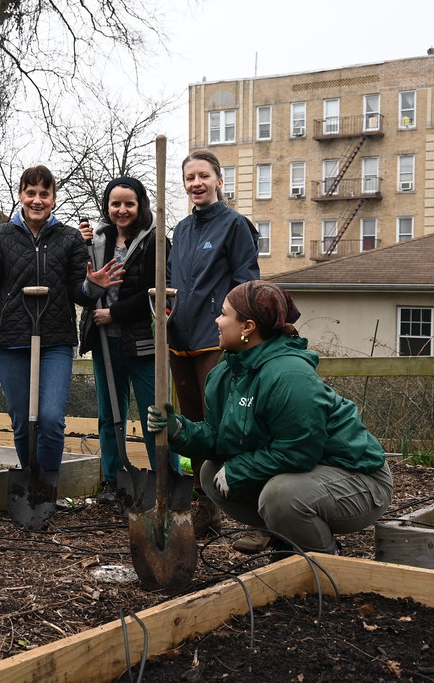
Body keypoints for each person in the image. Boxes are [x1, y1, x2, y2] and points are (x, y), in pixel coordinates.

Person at [147, 281, 393, 555]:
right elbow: (219, 437)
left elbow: (300, 451)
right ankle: (287, 537)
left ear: (248, 327)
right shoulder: (227, 372)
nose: (217, 320)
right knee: (211, 471)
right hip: (306, 475)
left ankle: (324, 560)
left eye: (224, 314)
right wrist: (180, 430)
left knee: (281, 496)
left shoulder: (289, 375)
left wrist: (239, 470)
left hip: (357, 479)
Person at [0, 165, 123, 474]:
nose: (37, 200)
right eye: (30, 193)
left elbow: (79, 292)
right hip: (10, 341)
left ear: (54, 199)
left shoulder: (69, 238)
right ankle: (29, 484)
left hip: (55, 339)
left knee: (49, 418)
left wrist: (93, 286)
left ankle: (47, 486)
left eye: (44, 194)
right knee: (21, 419)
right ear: (20, 195)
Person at [169, 150, 260, 536]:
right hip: (180, 338)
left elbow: (246, 283)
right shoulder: (181, 230)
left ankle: (245, 504)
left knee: (222, 424)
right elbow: (173, 281)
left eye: (203, 176)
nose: (196, 183)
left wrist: (237, 331)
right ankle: (203, 503)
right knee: (191, 426)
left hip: (214, 340)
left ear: (219, 181)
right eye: (190, 178)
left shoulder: (235, 225)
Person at [77, 177, 175, 505]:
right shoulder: (96, 239)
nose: (122, 210)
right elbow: (83, 283)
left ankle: (165, 481)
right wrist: (80, 245)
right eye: (115, 203)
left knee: (155, 416)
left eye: (128, 204)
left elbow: (155, 293)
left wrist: (113, 314)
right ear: (107, 205)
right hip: (106, 342)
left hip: (143, 343)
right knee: (109, 415)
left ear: (140, 205)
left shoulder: (155, 241)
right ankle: (113, 482)